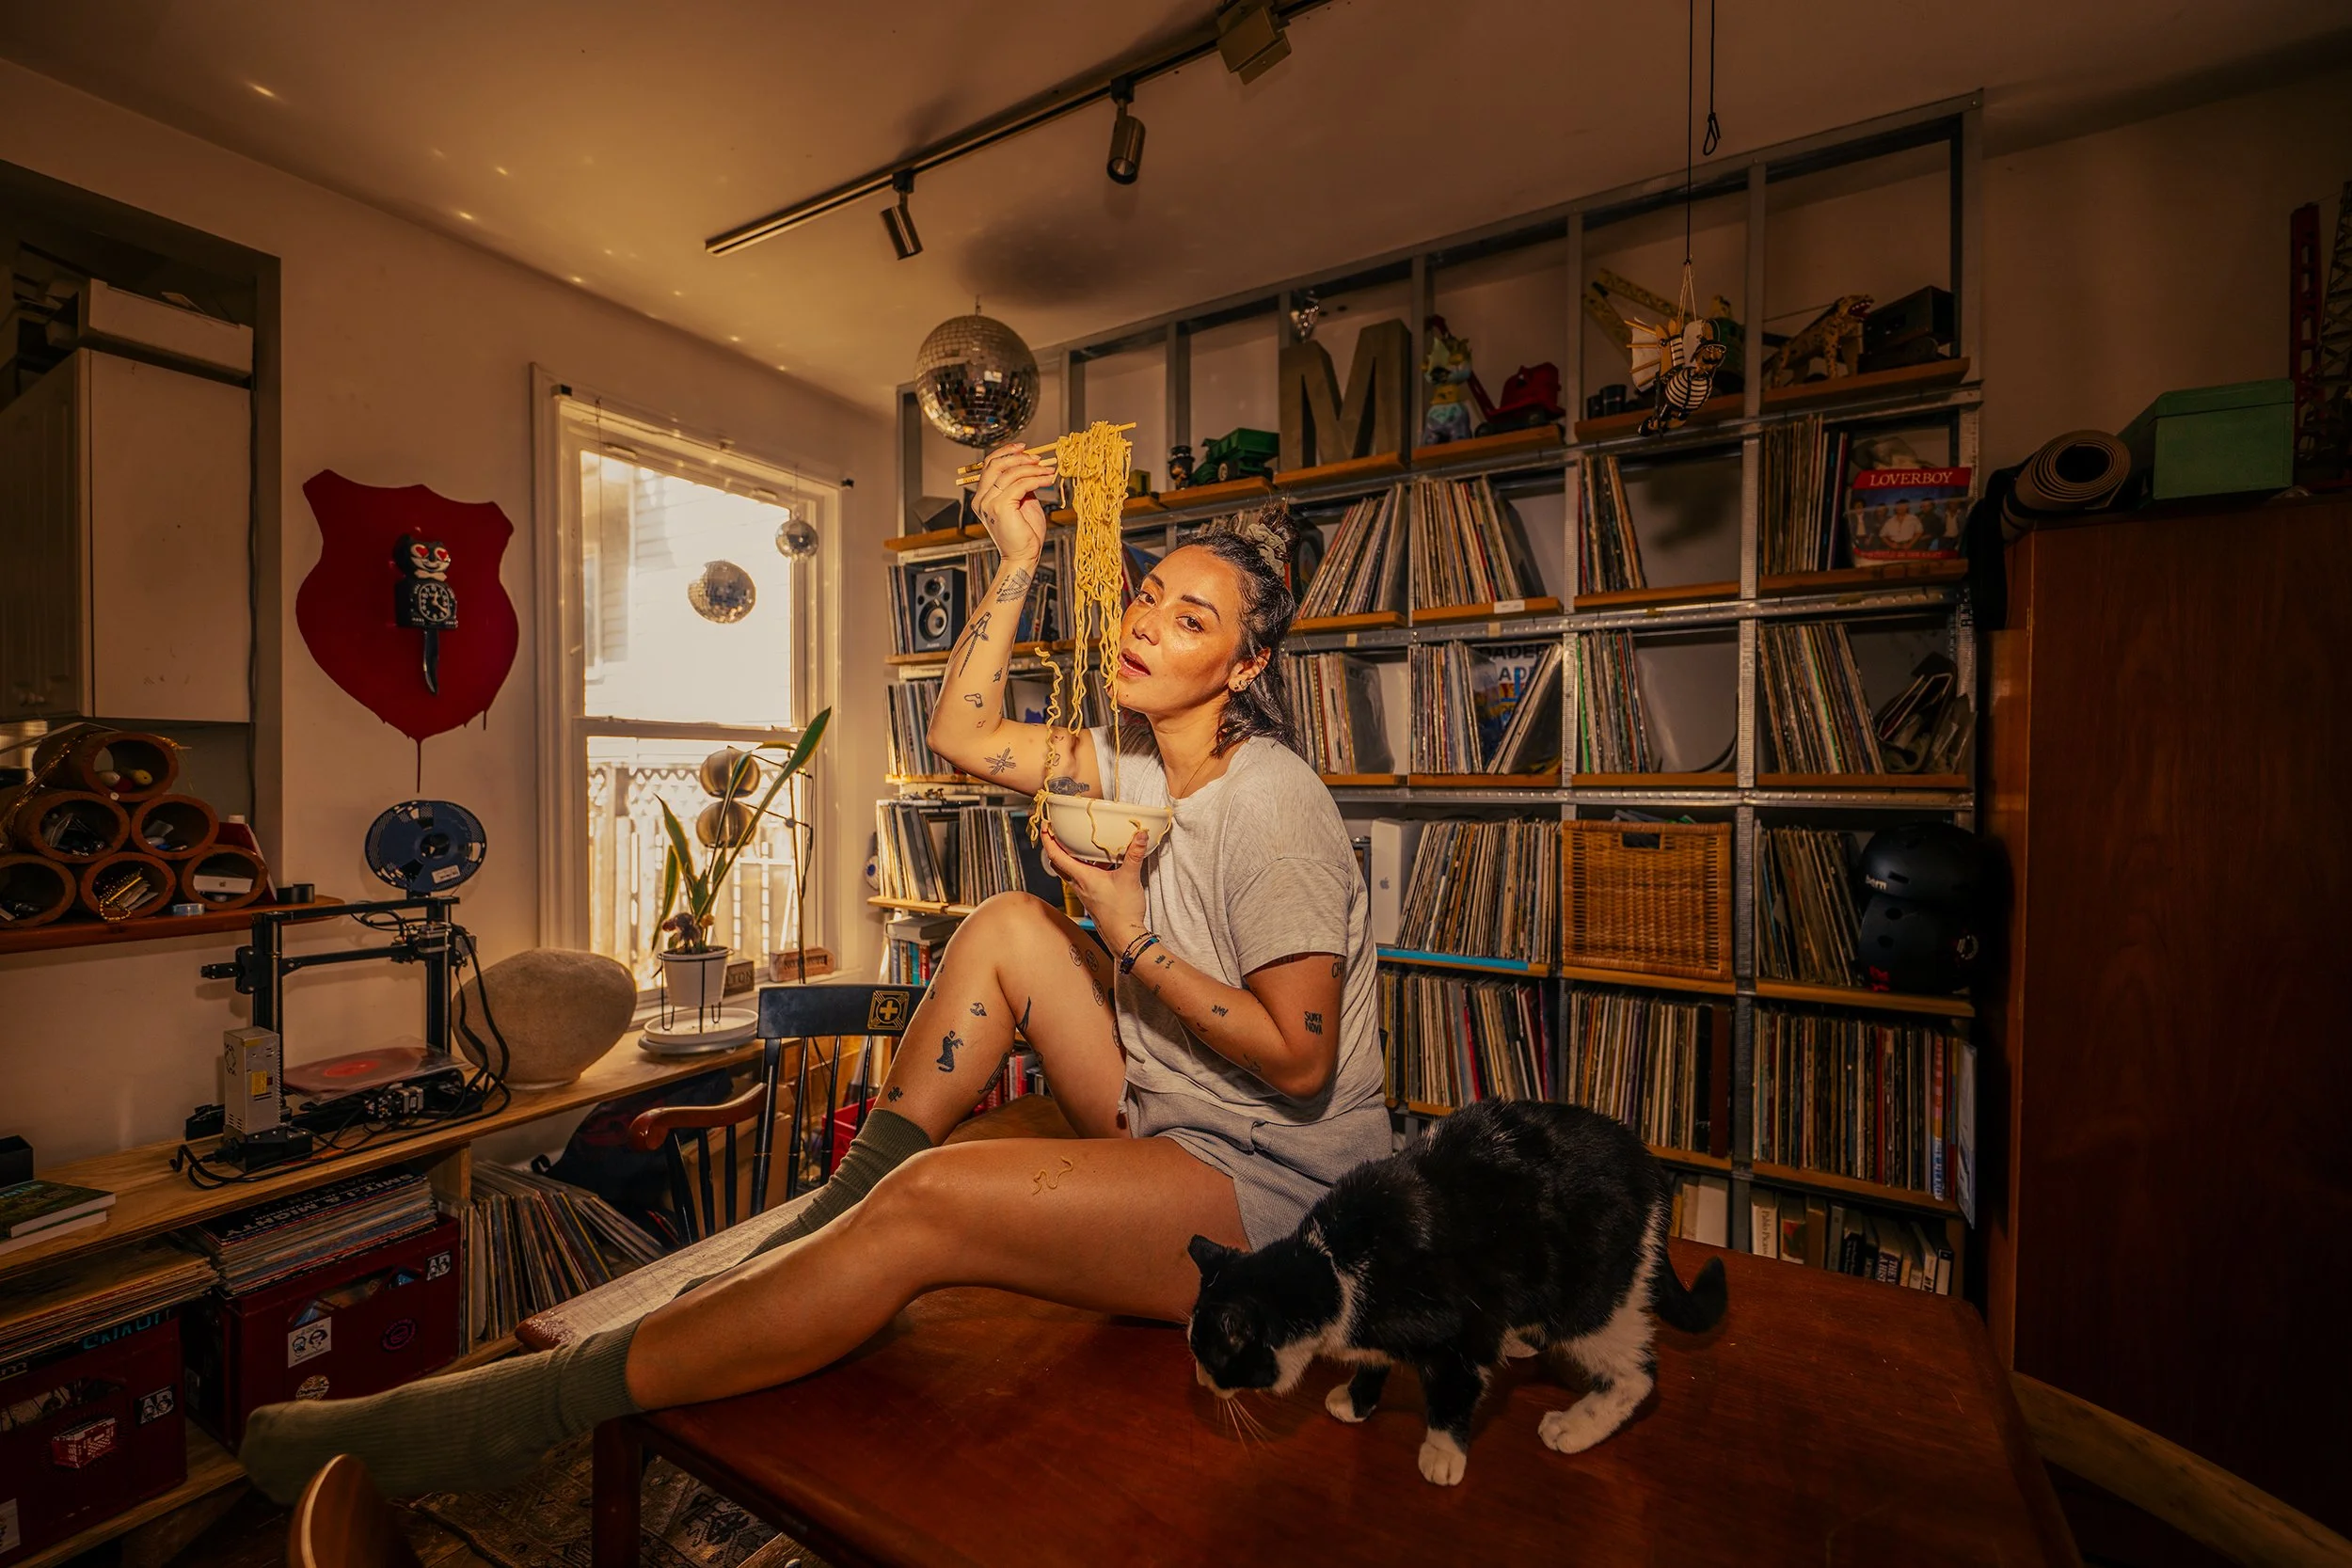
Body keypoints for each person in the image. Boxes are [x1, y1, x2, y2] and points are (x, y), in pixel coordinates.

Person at [236, 443, 1389, 1502]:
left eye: (1191, 619)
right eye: (1146, 595)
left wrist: (1125, 926)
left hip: (1271, 1194)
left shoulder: (1272, 802)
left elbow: (1299, 1056)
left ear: (1245, 665)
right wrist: (1020, 556)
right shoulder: (1134, 754)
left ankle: (503, 1414)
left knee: (931, 1204)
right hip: (1165, 1112)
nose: (1146, 623)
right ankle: (836, 1211)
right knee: (1001, 923)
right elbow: (961, 732)